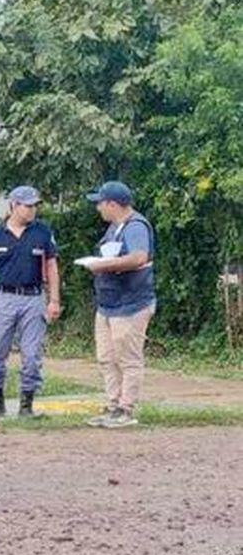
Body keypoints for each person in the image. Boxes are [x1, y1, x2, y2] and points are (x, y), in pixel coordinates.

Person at [0, 186, 61, 418]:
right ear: (13, 206)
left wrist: (54, 300)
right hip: (4, 298)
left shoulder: (42, 231)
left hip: (33, 298)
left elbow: (51, 265)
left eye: (35, 206)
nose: (32, 210)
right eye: (27, 206)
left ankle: (26, 406)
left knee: (31, 354)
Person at [82, 181, 156, 428]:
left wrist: (102, 266)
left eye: (100, 203)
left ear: (112, 204)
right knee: (107, 358)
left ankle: (126, 408)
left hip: (131, 304)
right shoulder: (115, 228)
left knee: (128, 359)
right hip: (109, 304)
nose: (98, 209)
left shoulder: (135, 226)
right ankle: (112, 405)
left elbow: (139, 257)